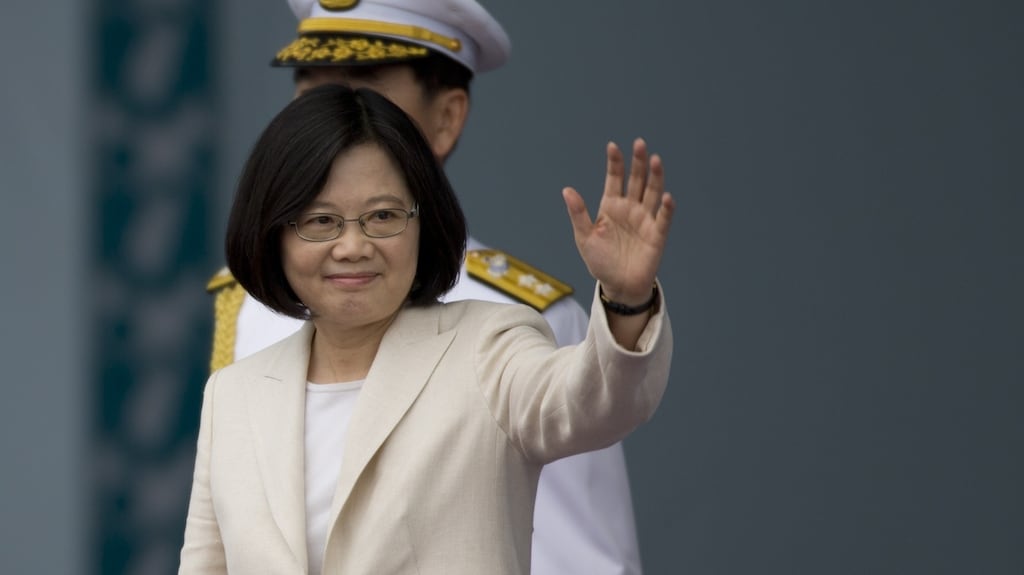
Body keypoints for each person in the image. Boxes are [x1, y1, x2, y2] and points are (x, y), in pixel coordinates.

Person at [205, 1, 647, 572]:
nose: (336, 114)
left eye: (365, 84)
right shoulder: (248, 313)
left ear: (446, 117)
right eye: (311, 89)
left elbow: (576, 556)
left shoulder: (506, 319)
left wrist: (626, 302)